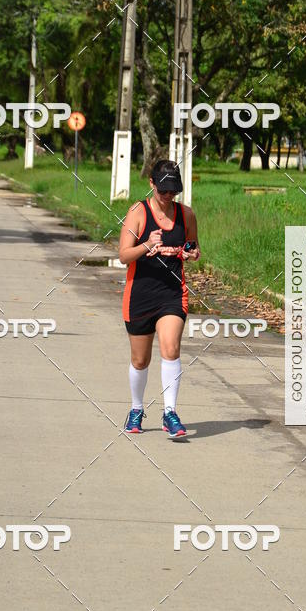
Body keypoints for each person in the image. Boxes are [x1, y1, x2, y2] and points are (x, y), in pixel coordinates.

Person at [119, 160, 200, 439]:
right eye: (163, 190)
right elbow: (123, 256)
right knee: (140, 360)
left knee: (171, 347)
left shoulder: (186, 214)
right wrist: (147, 245)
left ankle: (170, 413)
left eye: (173, 191)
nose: (168, 196)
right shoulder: (138, 213)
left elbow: (192, 246)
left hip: (172, 294)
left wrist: (192, 253)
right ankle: (136, 408)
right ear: (152, 184)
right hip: (139, 294)